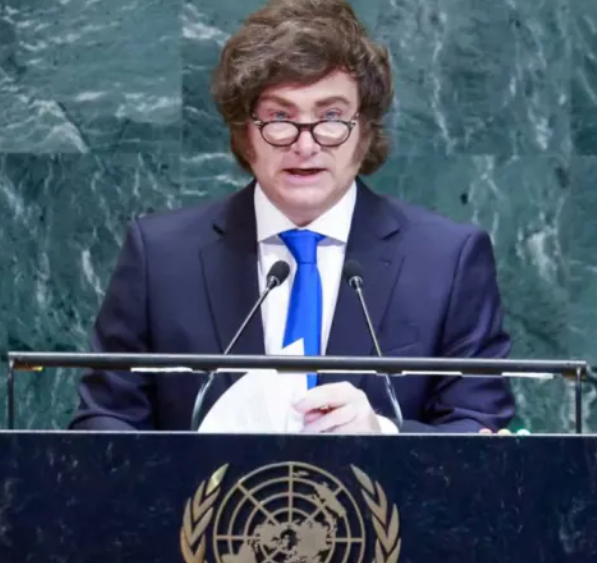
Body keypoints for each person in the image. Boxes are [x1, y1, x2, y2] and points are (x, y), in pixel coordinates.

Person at [69, 0, 515, 434]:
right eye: (280, 117)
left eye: (332, 116)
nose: (306, 145)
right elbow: (103, 422)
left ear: (365, 131)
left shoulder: (447, 259)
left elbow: (479, 426)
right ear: (245, 133)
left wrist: (384, 434)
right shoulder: (161, 256)